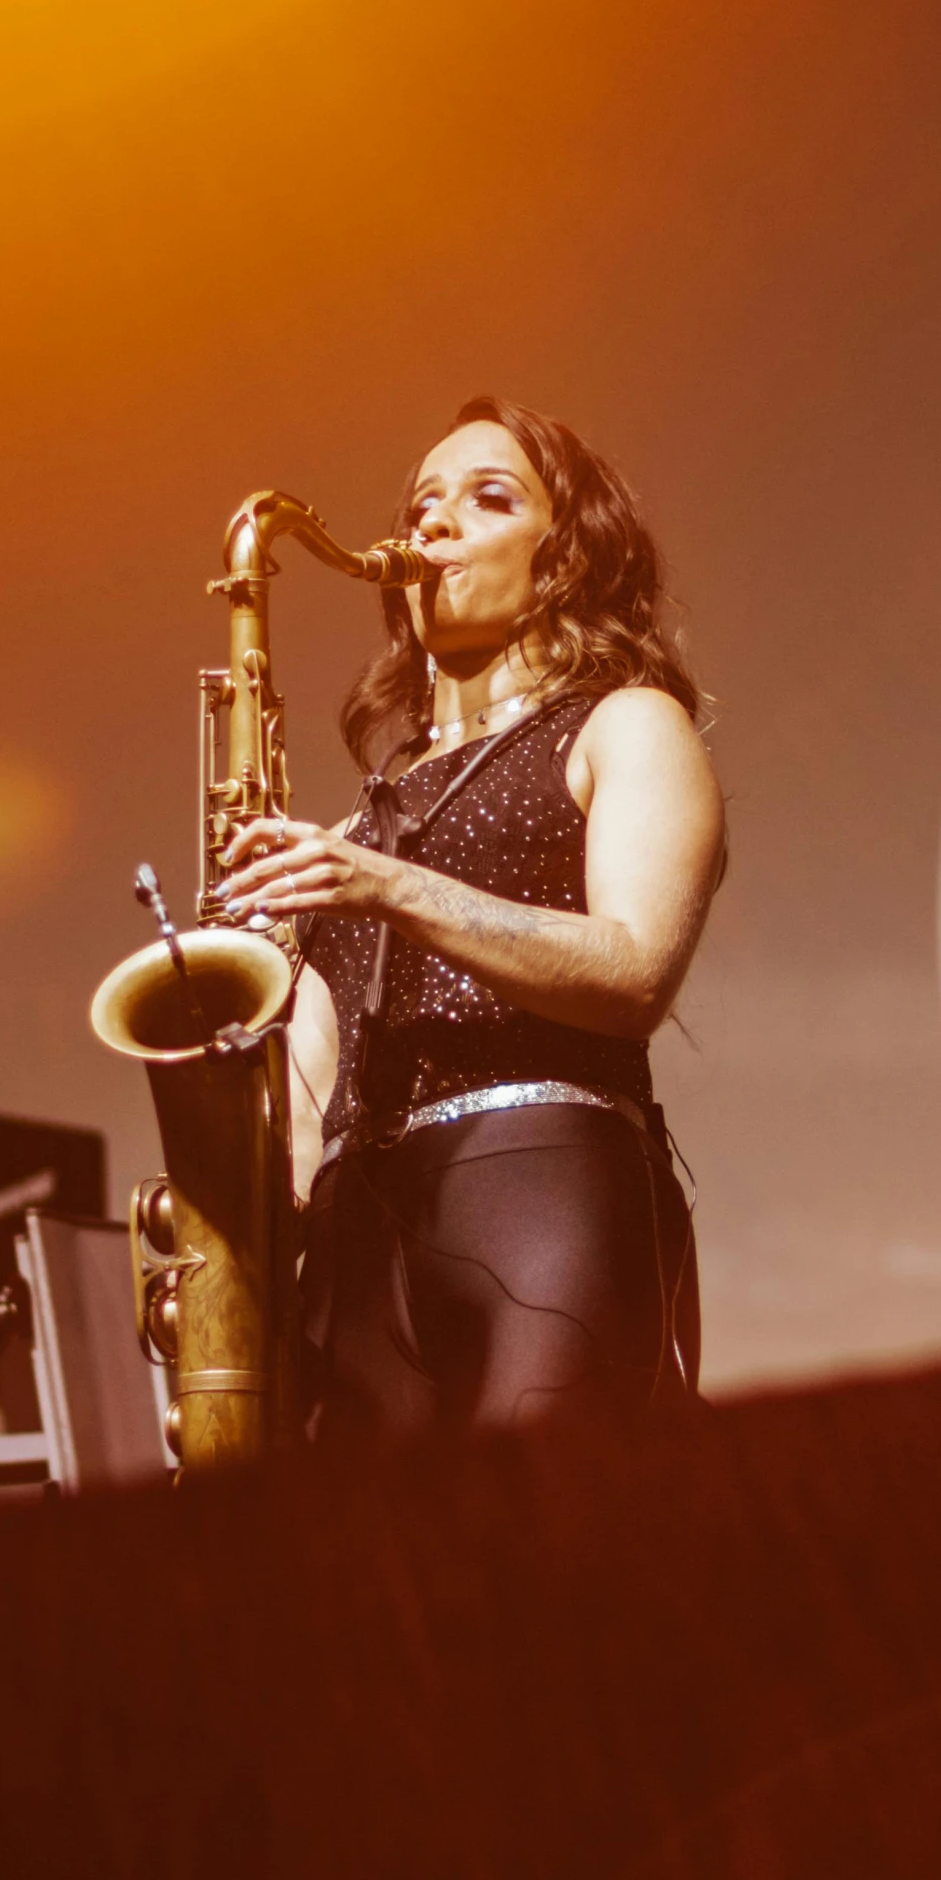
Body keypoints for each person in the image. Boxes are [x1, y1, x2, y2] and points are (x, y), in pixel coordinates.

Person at [217, 396, 726, 1438]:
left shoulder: (626, 724)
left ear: (567, 558)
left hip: (540, 1187)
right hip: (357, 1244)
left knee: (535, 1565)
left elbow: (633, 974)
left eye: (488, 498)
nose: (431, 526)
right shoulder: (357, 826)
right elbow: (309, 1106)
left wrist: (382, 885)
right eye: (421, 503)